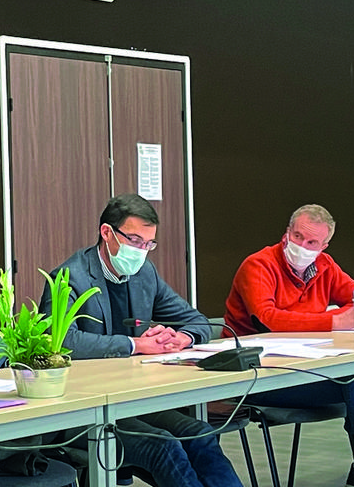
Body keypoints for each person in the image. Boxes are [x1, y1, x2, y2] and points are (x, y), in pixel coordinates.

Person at [40, 193, 242, 487]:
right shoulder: (70, 277)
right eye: (135, 241)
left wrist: (180, 338)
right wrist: (135, 345)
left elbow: (197, 321)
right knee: (163, 445)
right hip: (86, 410)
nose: (141, 251)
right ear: (107, 232)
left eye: (149, 244)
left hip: (133, 400)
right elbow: (59, 343)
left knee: (200, 435)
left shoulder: (144, 273)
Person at [223, 204, 354, 487]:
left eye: (311, 242)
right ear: (286, 233)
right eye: (297, 236)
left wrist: (348, 314)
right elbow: (269, 319)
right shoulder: (259, 265)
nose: (302, 245)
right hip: (259, 377)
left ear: (324, 245)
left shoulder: (325, 265)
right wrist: (335, 321)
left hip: (308, 367)